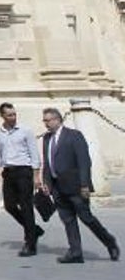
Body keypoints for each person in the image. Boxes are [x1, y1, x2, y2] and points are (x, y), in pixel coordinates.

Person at [40, 107, 119, 264]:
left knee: (87, 218)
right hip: (57, 188)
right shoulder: (47, 138)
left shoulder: (74, 136)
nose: (46, 124)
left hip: (76, 187)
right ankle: (75, 252)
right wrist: (47, 183)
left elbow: (84, 162)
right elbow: (48, 163)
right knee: (68, 220)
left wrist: (85, 185)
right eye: (44, 121)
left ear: (57, 119)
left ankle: (110, 242)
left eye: (48, 120)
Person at [0, 102, 44, 256]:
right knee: (9, 206)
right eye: (9, 115)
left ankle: (30, 244)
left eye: (14, 114)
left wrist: (36, 175)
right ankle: (34, 230)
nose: (13, 117)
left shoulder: (25, 130)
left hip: (24, 171)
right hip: (8, 172)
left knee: (26, 207)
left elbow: (34, 154)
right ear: (2, 116)